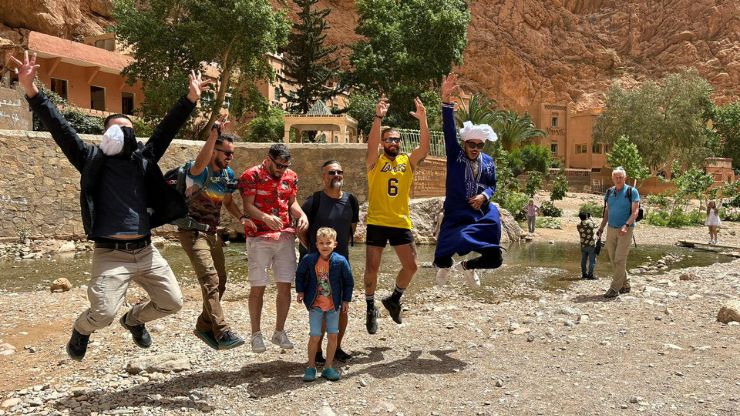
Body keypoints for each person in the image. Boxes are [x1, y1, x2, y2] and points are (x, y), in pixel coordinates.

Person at [11, 51, 209, 360]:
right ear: (105, 135)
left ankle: (134, 320)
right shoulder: (90, 160)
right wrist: (30, 88)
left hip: (146, 251)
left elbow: (166, 130)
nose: (121, 134)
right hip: (110, 254)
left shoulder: (144, 160)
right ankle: (81, 329)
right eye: (115, 129)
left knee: (172, 302)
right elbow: (60, 128)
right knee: (102, 315)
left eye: (126, 130)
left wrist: (190, 99)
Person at [178, 125, 256, 350]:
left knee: (221, 282)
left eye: (232, 154)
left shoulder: (227, 174)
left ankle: (203, 325)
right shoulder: (200, 171)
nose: (230, 157)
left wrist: (242, 218)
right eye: (227, 153)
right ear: (214, 151)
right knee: (210, 280)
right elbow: (199, 163)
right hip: (193, 233)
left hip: (212, 234)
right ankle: (222, 331)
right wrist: (213, 134)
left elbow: (228, 202)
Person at [364, 95, 430, 334]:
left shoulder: (407, 161)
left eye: (396, 139)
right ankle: (370, 308)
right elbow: (371, 145)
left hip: (401, 222)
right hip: (377, 221)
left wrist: (423, 119)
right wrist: (378, 117)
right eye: (389, 139)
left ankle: (394, 299)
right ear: (383, 142)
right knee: (372, 268)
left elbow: (424, 148)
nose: (393, 142)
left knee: (411, 267)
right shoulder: (375, 162)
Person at [434, 74, 503, 287]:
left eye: (479, 145)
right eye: (471, 144)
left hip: (480, 212)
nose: (475, 148)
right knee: (441, 258)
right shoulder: (455, 156)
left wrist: (484, 196)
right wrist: (446, 101)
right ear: (465, 144)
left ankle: (469, 266)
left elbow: (492, 185)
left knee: (495, 259)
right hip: (456, 213)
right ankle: (446, 265)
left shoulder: (488, 161)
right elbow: (448, 131)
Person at [239, 143, 308, 352]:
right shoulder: (251, 175)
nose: (282, 170)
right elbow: (247, 206)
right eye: (279, 165)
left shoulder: (291, 176)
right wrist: (265, 217)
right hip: (259, 236)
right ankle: (256, 334)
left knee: (285, 285)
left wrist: (302, 215)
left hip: (285, 235)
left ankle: (279, 331)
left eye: (286, 166)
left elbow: (292, 203)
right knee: (258, 286)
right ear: (268, 159)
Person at [299, 160, 359, 362]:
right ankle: (317, 352)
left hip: (341, 264)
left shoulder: (351, 201)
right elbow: (300, 230)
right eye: (331, 172)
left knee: (341, 308)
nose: (336, 175)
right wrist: (313, 253)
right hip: (317, 267)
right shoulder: (313, 201)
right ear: (323, 177)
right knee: (321, 308)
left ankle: (337, 348)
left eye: (339, 172)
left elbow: (351, 229)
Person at [296, 227, 354, 382]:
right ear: (316, 244)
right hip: (315, 305)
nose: (325, 246)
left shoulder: (340, 261)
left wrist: (346, 300)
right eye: (321, 243)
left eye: (328, 243)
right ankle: (311, 366)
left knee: (333, 335)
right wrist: (300, 291)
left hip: (333, 306)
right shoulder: (309, 259)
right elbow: (300, 274)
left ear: (335, 244)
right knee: (314, 335)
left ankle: (328, 367)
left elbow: (348, 282)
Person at [597, 167, 640, 298]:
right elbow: (607, 211)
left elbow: (635, 211)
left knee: (619, 259)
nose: (618, 179)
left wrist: (626, 225)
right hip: (611, 228)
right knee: (613, 259)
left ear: (625, 178)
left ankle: (615, 288)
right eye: (616, 177)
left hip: (626, 229)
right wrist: (601, 227)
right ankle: (626, 284)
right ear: (613, 178)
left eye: (621, 177)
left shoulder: (632, 191)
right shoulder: (609, 192)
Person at [577, 211, 597, 280]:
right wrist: (591, 219)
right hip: (591, 245)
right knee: (592, 261)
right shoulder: (591, 224)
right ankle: (590, 275)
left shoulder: (578, 225)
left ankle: (584, 274)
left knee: (583, 260)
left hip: (583, 245)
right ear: (587, 216)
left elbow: (583, 225)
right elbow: (596, 225)